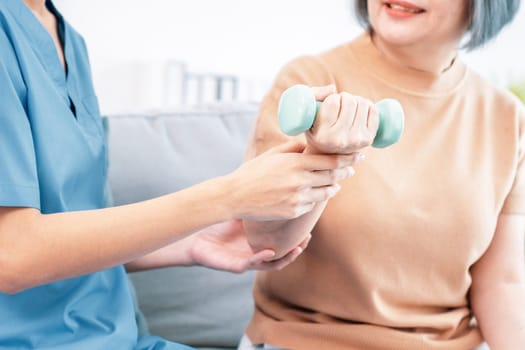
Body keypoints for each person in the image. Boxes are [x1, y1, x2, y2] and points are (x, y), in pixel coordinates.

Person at [0, 0, 362, 349]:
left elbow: (72, 231)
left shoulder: (68, 40)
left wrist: (190, 242)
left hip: (121, 338)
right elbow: (12, 254)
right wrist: (226, 196)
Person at [240, 0, 525, 349]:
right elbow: (266, 243)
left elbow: (502, 284)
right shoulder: (309, 83)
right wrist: (325, 155)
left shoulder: (507, 117)